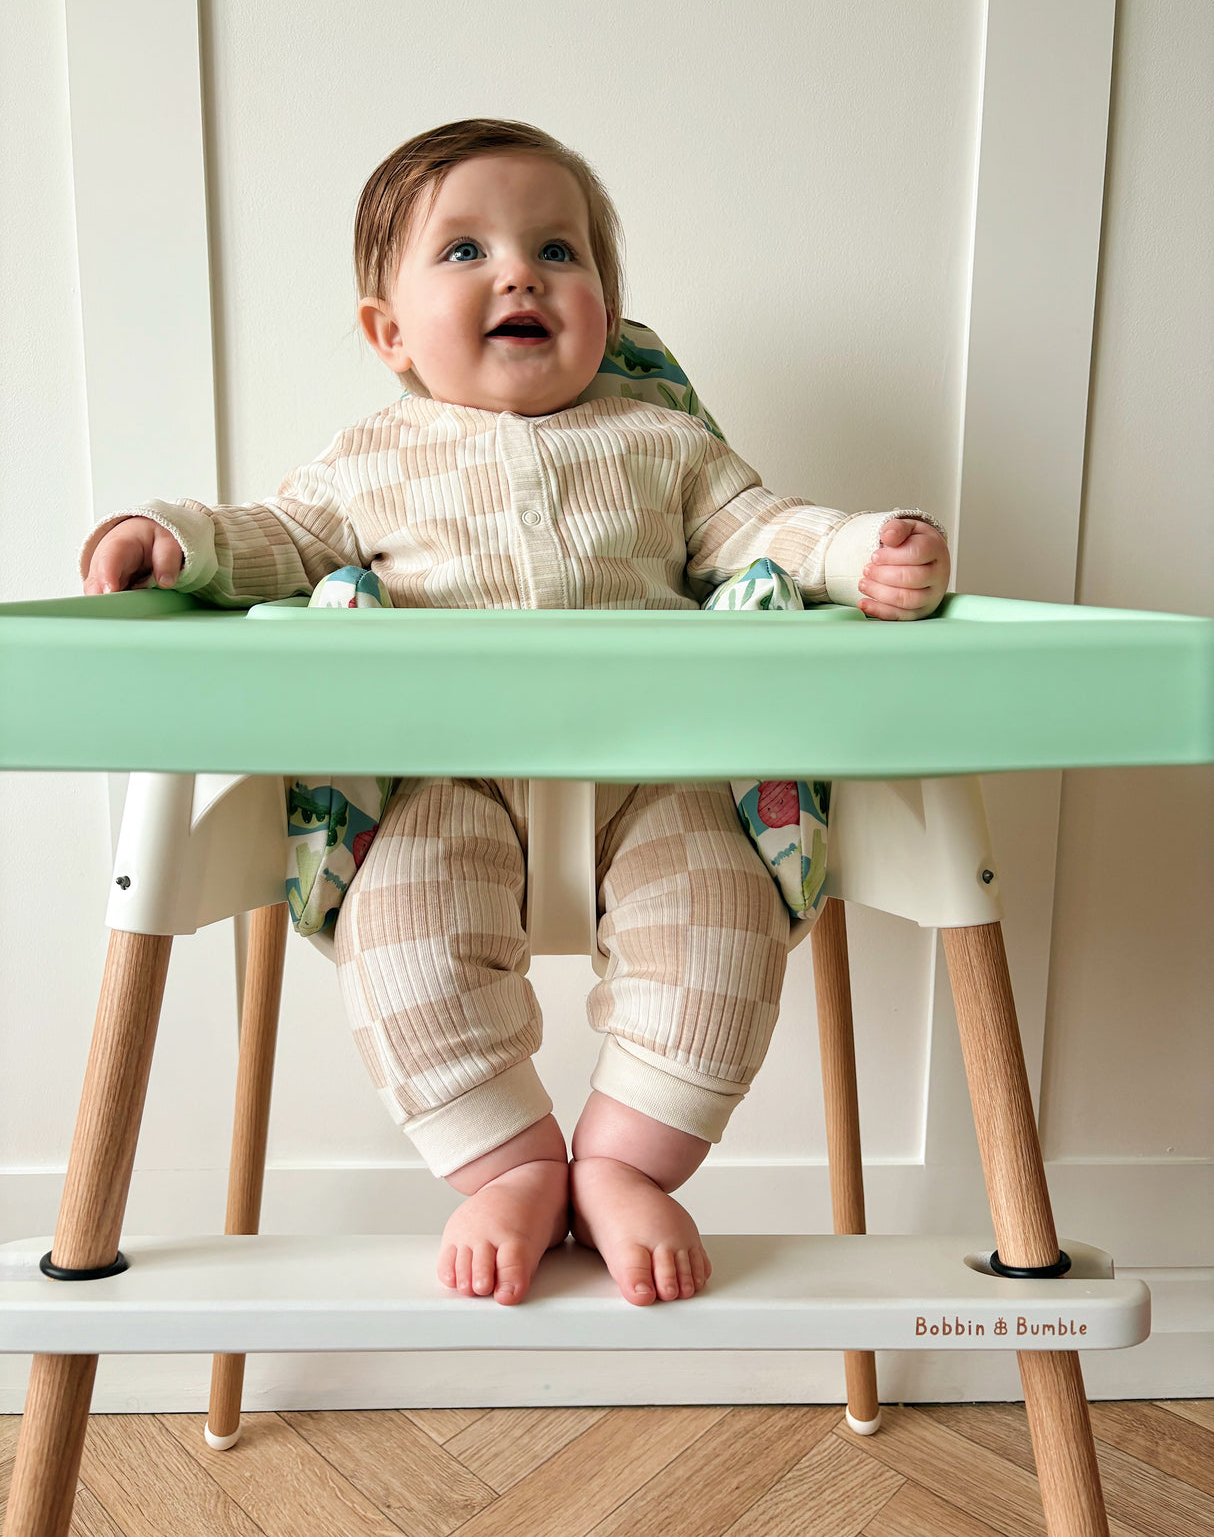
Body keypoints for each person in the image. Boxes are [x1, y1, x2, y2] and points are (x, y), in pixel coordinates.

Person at [80, 118, 949, 1309]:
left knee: (723, 932)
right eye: (464, 251)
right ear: (387, 334)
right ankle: (507, 1162)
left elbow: (764, 532)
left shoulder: (666, 445)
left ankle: (627, 1161)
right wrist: (174, 541)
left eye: (558, 248)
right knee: (402, 943)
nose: (518, 273)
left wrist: (859, 551)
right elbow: (278, 541)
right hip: (438, 775)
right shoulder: (371, 455)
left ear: (603, 301)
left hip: (664, 771)